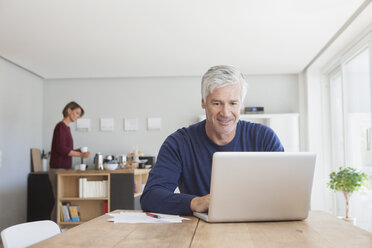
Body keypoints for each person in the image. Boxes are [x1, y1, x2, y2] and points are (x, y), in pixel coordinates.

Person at [140, 65, 284, 215]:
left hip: (257, 226)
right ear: (203, 102)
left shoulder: (264, 138)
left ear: (241, 104)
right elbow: (151, 196)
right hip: (198, 232)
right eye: (216, 103)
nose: (225, 113)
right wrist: (196, 202)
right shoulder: (179, 143)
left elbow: (286, 190)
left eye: (233, 103)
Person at [48, 101, 91, 221]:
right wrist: (80, 154)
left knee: (62, 200)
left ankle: (58, 228)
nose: (77, 117)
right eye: (76, 113)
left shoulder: (66, 128)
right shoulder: (60, 126)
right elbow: (61, 149)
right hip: (58, 169)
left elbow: (67, 149)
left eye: (79, 115)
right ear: (69, 110)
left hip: (64, 169)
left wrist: (79, 151)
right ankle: (53, 229)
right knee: (59, 200)